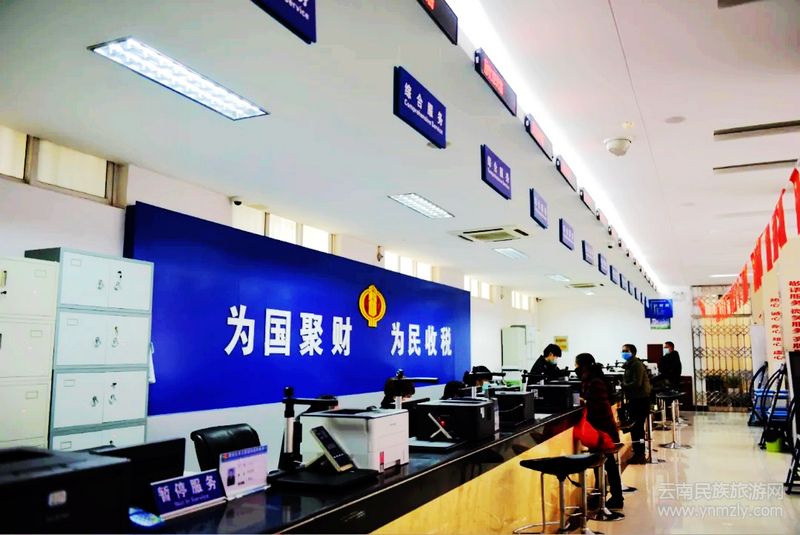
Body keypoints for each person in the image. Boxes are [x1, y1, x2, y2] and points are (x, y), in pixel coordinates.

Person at [575, 353, 624, 510]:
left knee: (607, 465)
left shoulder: (595, 382)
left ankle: (614, 497)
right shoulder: (593, 379)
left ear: (583, 365)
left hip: (603, 432)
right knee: (604, 465)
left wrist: (584, 401)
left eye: (576, 364)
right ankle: (603, 496)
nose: (575, 368)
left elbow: (598, 405)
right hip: (601, 430)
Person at [621, 343, 651, 464]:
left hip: (640, 400)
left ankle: (640, 454)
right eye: (622, 351)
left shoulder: (636, 365)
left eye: (626, 351)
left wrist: (623, 385)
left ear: (633, 352)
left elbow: (637, 383)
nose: (623, 353)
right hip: (635, 399)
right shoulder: (630, 364)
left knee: (637, 429)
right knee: (635, 428)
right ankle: (638, 453)